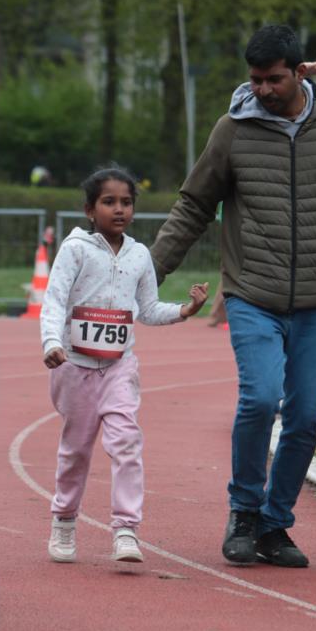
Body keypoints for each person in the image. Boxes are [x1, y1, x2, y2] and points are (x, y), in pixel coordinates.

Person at [149, 24, 316, 568]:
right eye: (255, 79)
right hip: (253, 293)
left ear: (298, 71)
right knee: (261, 398)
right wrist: (147, 273)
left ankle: (274, 524)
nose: (263, 89)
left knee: (307, 414)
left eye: (274, 79)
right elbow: (194, 205)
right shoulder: (232, 130)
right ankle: (243, 511)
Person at [40, 165, 208, 563]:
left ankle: (126, 529)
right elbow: (54, 300)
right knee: (75, 450)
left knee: (126, 444)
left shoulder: (139, 256)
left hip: (119, 367)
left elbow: (146, 309)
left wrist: (185, 309)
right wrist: (51, 341)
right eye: (109, 202)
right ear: (89, 209)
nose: (119, 210)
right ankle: (64, 520)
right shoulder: (75, 249)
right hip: (74, 365)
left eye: (127, 202)